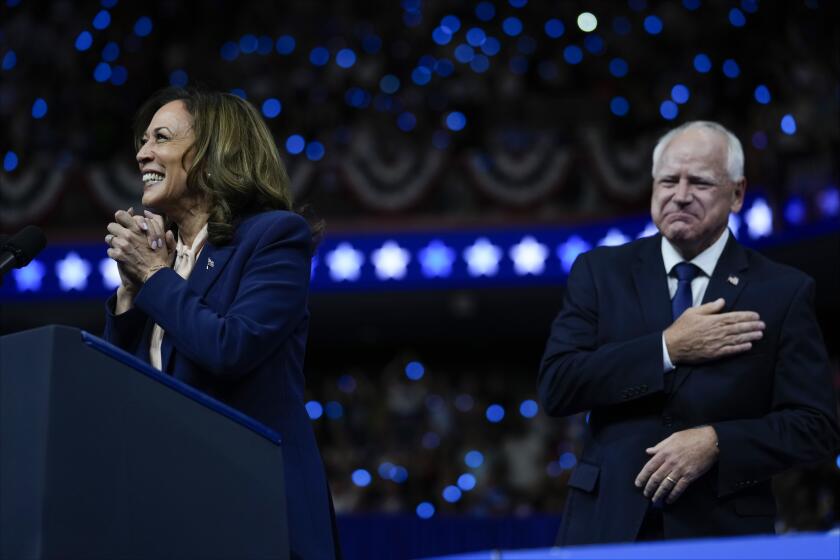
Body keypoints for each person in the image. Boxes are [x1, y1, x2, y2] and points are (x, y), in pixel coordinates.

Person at [538, 121, 840, 544]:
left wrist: (718, 442)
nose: (680, 195)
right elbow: (558, 385)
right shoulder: (600, 271)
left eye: (699, 182)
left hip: (722, 531)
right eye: (668, 181)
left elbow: (815, 427)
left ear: (737, 194)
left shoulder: (783, 291)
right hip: (606, 526)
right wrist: (667, 348)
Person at [103, 87, 338, 559]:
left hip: (257, 510)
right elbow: (120, 397)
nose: (142, 152)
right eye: (144, 139)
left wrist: (154, 277)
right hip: (174, 517)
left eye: (161, 138)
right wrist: (131, 293)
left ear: (213, 155)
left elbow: (230, 348)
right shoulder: (162, 264)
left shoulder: (273, 237)